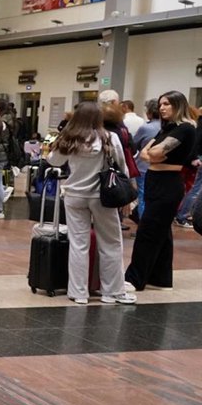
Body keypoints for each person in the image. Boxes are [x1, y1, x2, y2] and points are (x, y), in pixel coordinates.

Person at [46, 102, 134, 305]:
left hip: (74, 196)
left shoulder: (69, 138)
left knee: (78, 244)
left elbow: (54, 161)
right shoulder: (108, 137)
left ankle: (79, 293)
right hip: (102, 196)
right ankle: (112, 292)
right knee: (111, 243)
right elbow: (122, 166)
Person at [125, 91, 197, 291]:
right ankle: (160, 279)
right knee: (162, 232)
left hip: (168, 183)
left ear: (178, 105)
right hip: (154, 180)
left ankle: (134, 279)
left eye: (167, 104)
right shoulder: (168, 129)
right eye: (160, 104)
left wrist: (153, 153)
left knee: (147, 231)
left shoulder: (185, 129)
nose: (162, 108)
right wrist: (153, 154)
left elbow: (154, 152)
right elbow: (145, 152)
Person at [132, 99, 161, 221]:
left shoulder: (146, 128)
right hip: (162, 167)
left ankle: (143, 224)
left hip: (144, 166)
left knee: (143, 196)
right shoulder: (170, 127)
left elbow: (134, 145)